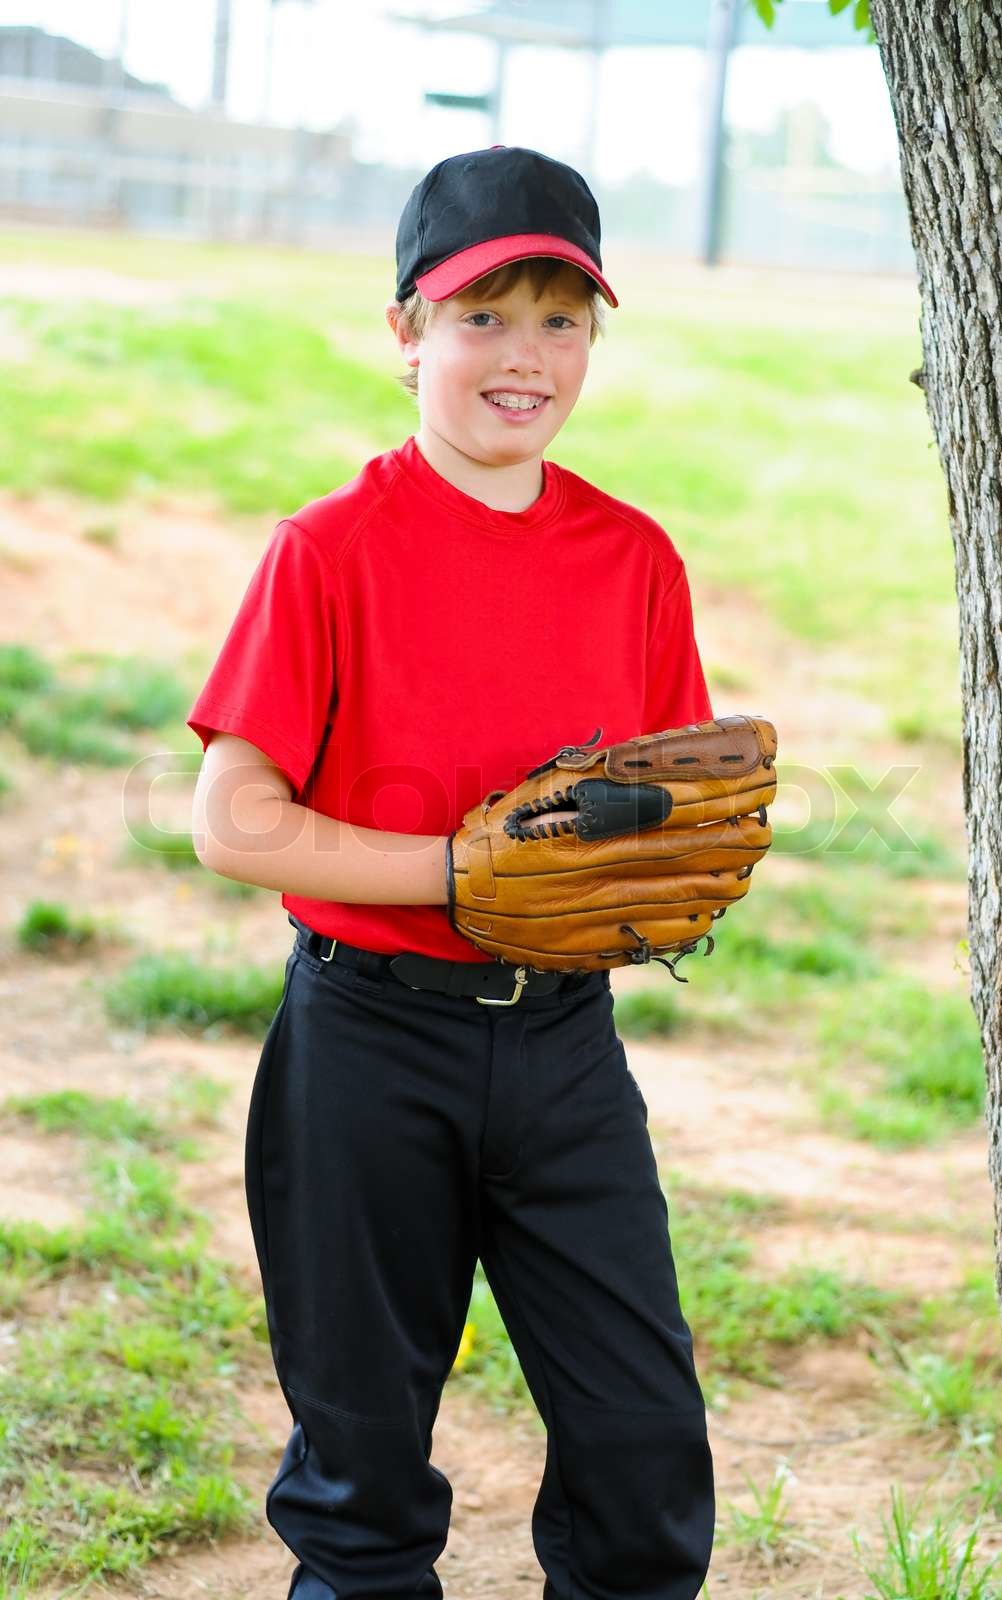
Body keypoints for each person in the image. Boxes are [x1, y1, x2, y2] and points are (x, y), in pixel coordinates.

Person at [187, 144, 716, 1600]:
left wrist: (659, 874)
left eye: (561, 319)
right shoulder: (331, 551)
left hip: (566, 1050)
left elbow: (664, 807)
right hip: (369, 1046)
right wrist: (471, 870)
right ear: (407, 332)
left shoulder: (633, 560)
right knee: (361, 1480)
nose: (524, 356)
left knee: (643, 1446)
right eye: (483, 314)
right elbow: (234, 822)